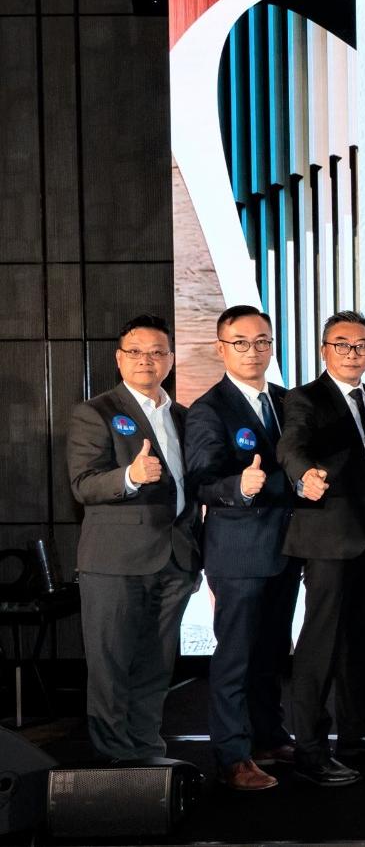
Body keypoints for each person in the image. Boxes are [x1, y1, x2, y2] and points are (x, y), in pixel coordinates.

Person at [67, 314, 200, 765]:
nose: (147, 360)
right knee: (111, 667)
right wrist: (130, 475)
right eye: (136, 352)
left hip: (175, 560)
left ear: (171, 360)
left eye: (157, 352)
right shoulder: (96, 412)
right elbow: (83, 485)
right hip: (115, 563)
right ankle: (116, 763)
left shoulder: (182, 416)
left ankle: (147, 752)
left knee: (156, 666)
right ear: (119, 359)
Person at [184, 306, 299, 790]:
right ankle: (233, 756)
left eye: (262, 341)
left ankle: (268, 736)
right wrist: (240, 487)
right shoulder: (209, 408)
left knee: (271, 650)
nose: (253, 351)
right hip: (238, 551)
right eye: (241, 342)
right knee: (236, 655)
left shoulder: (287, 401)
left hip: (286, 547)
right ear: (221, 348)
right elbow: (201, 480)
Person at [278, 311, 365, 786]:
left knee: (363, 640)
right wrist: (303, 475)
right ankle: (310, 748)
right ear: (325, 350)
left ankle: (357, 730)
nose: (352, 353)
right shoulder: (305, 397)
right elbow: (292, 446)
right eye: (342, 344)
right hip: (328, 535)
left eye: (362, 345)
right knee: (320, 644)